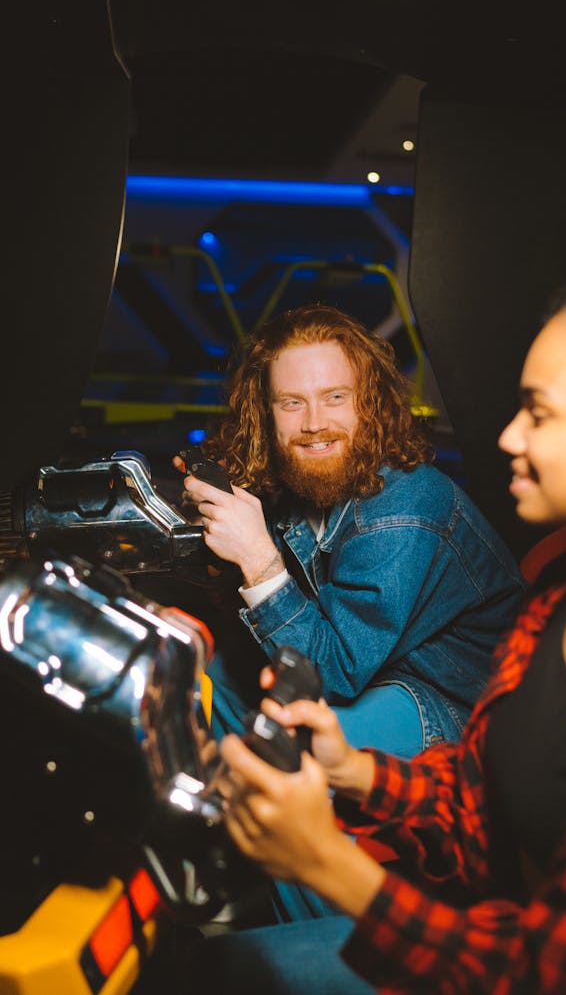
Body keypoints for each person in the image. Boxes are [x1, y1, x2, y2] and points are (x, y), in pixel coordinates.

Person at [189, 267, 566, 994]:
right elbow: (484, 804)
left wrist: (327, 865)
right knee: (201, 967)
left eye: (541, 413)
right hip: (497, 925)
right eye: (292, 403)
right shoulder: (554, 613)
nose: (507, 434)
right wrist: (351, 767)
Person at [180, 304, 524, 765]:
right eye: (292, 402)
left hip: (457, 703)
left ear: (370, 403)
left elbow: (332, 673)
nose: (314, 423)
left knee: (296, 746)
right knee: (220, 676)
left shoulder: (406, 509)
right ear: (267, 414)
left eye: (335, 397)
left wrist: (257, 555)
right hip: (381, 675)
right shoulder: (302, 479)